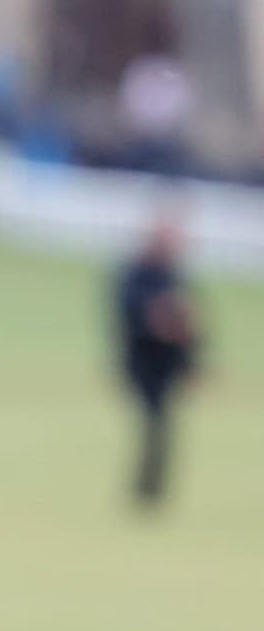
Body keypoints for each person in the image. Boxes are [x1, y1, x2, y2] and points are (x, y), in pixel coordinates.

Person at [115, 209, 201, 507]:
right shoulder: (135, 273)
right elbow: (128, 314)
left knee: (161, 424)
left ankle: (152, 486)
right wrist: (156, 320)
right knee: (153, 422)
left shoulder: (174, 276)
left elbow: (191, 324)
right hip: (143, 361)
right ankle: (145, 485)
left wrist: (192, 362)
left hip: (167, 364)